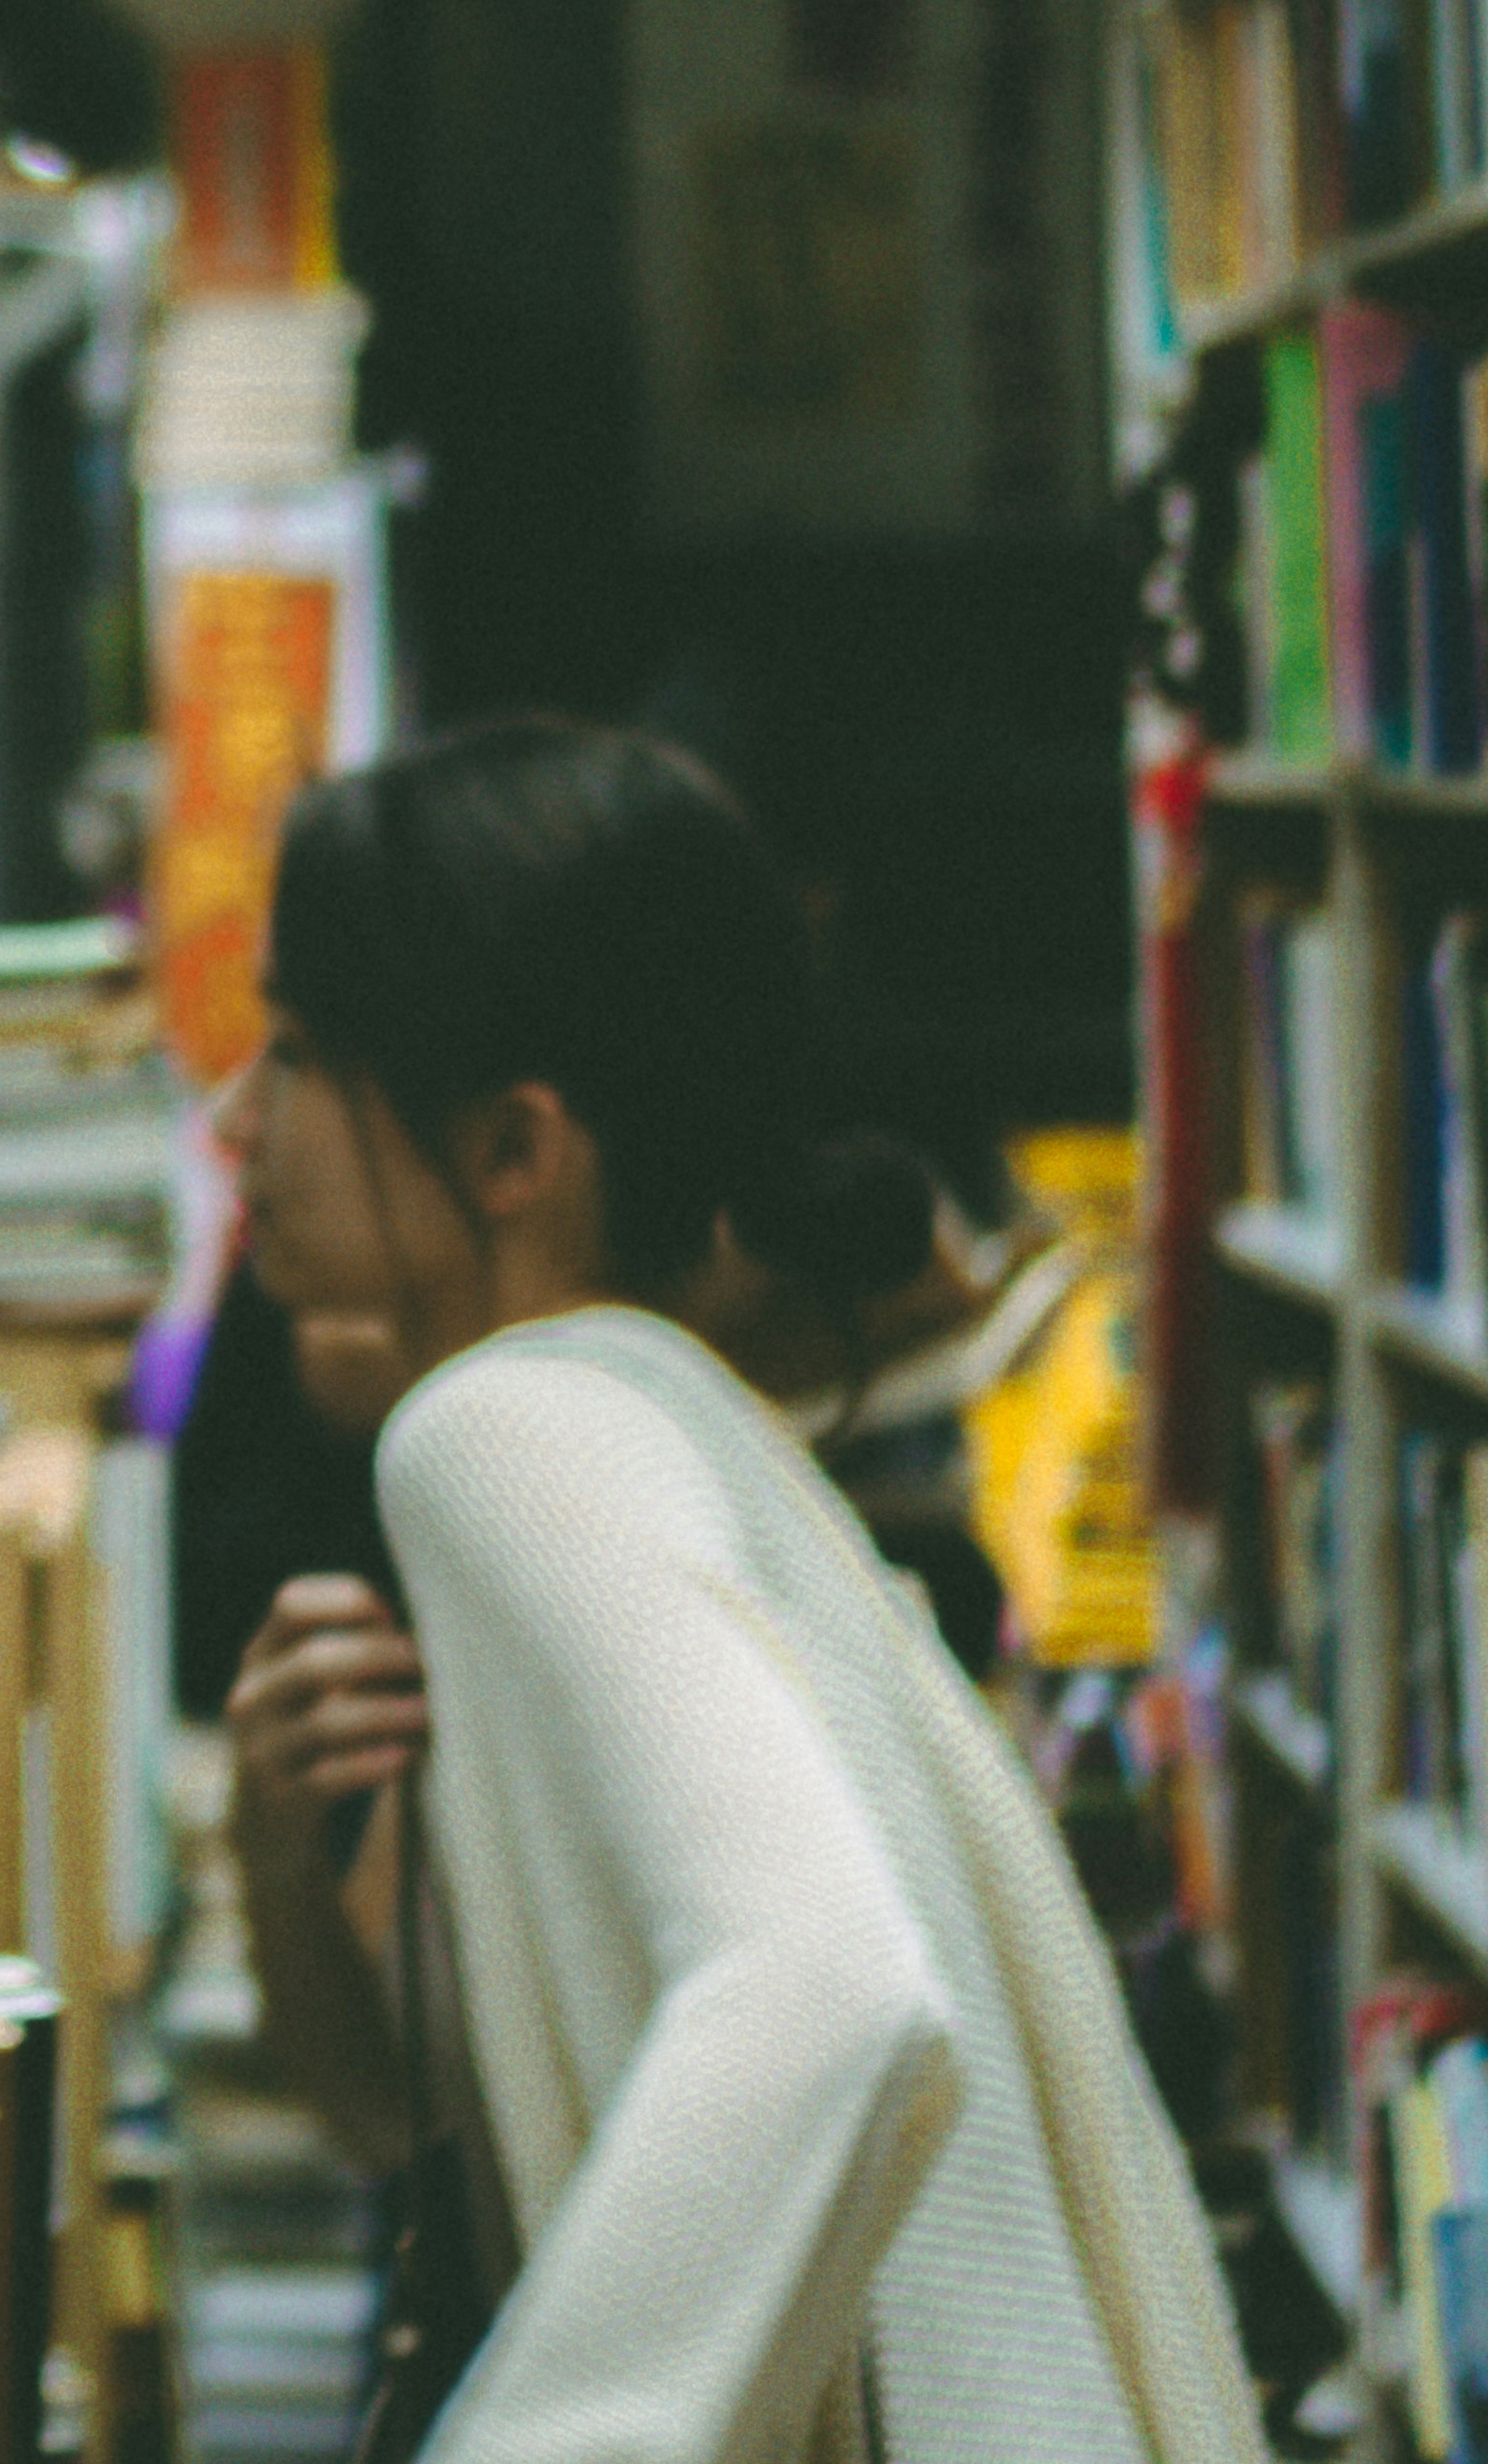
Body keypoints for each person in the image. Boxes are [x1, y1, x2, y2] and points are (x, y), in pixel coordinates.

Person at [214, 715, 1258, 2463]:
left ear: (514, 1151)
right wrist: (277, 1835)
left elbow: (827, 1994)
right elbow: (414, 2117)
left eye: (305, 1054)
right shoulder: (676, 1425)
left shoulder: (504, 1431)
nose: (241, 1120)